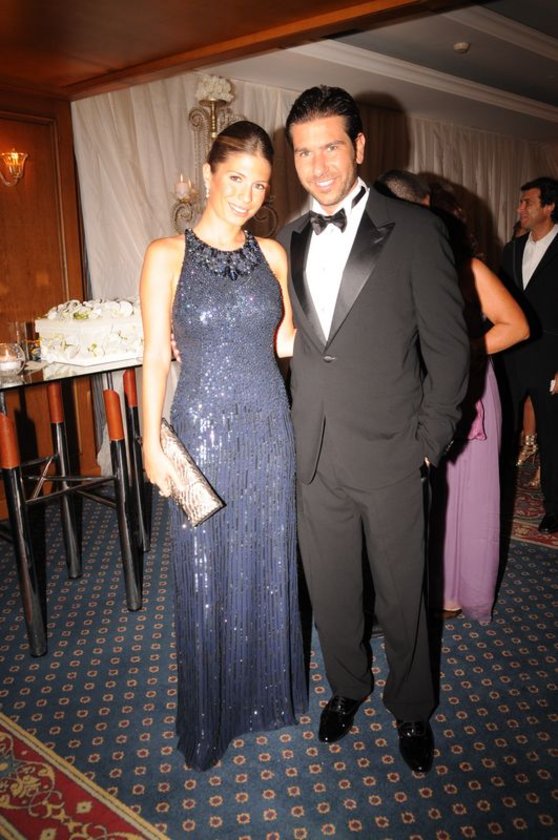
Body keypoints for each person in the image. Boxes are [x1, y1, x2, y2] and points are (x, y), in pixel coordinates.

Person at [278, 86, 470, 774]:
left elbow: (451, 350)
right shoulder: (288, 239)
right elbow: (296, 340)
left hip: (394, 452)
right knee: (332, 590)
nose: (319, 165)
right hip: (315, 455)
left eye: (332, 147)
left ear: (359, 147)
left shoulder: (417, 230)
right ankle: (347, 687)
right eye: (305, 152)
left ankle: (412, 706)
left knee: (402, 594)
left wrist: (428, 445)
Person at [139, 120, 307, 771]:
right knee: (204, 570)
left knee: (268, 557)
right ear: (210, 173)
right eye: (235, 178)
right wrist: (150, 443)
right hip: (202, 433)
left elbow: (286, 340)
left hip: (269, 429)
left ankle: (266, 699)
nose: (246, 195)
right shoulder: (166, 254)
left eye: (259, 185)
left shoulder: (273, 255)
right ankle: (211, 716)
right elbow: (155, 356)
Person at [425, 181, 529, 623]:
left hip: (471, 388)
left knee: (466, 493)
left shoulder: (470, 267)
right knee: (433, 492)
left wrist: (462, 350)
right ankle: (431, 584)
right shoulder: (416, 265)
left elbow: (517, 326)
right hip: (426, 389)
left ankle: (456, 592)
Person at [500, 177, 558, 533]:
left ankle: (554, 508)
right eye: (520, 202)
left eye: (528, 203)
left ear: (549, 207)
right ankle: (496, 498)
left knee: (552, 435)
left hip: (550, 359)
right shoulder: (512, 249)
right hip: (511, 356)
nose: (520, 208)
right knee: (503, 429)